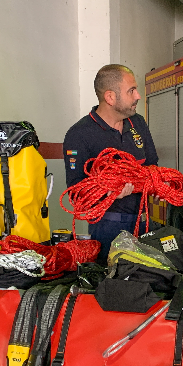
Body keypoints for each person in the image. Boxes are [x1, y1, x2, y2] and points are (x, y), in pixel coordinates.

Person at [63, 64, 159, 265]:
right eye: (131, 90)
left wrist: (156, 185)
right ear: (110, 97)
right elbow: (75, 192)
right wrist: (108, 191)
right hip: (107, 227)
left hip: (144, 221)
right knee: (114, 285)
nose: (138, 96)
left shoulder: (138, 123)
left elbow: (152, 165)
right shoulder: (79, 135)